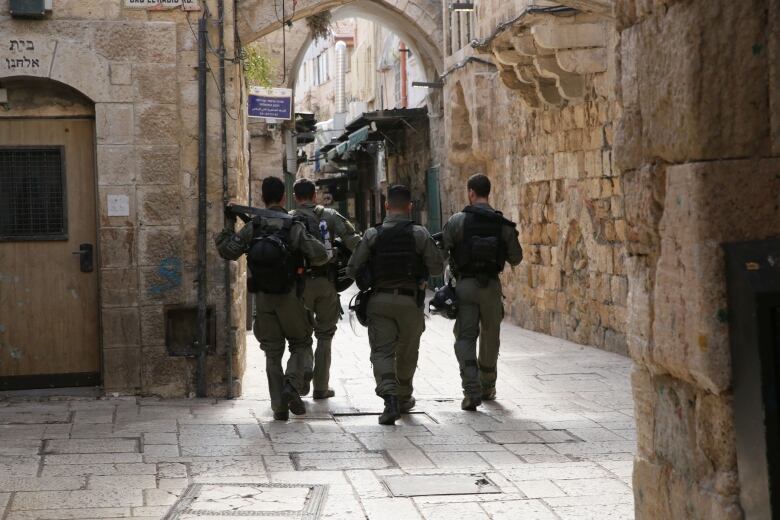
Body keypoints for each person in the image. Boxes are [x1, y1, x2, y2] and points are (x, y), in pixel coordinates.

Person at [215, 176, 328, 421]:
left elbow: (227, 250)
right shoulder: (292, 225)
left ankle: (278, 408)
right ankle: (292, 384)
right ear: (283, 197)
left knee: (272, 353)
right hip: (290, 296)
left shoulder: (254, 226)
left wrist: (228, 223)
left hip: (263, 299)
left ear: (263, 198)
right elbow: (320, 256)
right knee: (301, 344)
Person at [347, 185, 444, 425]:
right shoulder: (419, 234)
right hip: (410, 302)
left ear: (387, 206)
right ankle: (403, 397)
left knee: (382, 351)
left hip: (379, 301)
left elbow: (352, 267)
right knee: (408, 352)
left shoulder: (372, 234)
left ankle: (389, 399)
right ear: (410, 207)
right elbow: (437, 268)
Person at [440, 173, 523, 411]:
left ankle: (471, 389)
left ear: (471, 193)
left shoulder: (458, 221)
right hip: (491, 288)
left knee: (465, 337)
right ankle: (487, 387)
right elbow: (516, 258)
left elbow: (441, 252)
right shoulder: (503, 225)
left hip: (465, 286)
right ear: (489, 192)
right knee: (490, 336)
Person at [290, 178, 361, 399]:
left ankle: (302, 375)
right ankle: (321, 387)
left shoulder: (288, 219)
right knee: (325, 335)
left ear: (295, 197)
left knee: (300, 337)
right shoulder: (329, 216)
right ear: (314, 195)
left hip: (298, 286)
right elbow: (354, 242)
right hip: (325, 283)